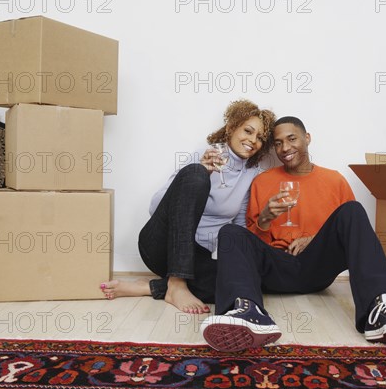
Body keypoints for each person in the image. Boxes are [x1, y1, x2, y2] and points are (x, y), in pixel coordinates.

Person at [200, 116, 386, 351]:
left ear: (307, 138)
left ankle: (379, 309)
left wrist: (314, 239)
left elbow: (351, 236)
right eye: (277, 143)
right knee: (231, 232)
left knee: (353, 210)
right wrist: (265, 219)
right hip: (274, 269)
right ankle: (246, 312)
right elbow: (251, 249)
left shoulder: (334, 180)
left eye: (291, 139)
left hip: (316, 267)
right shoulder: (262, 181)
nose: (284, 148)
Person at [100, 100, 276, 314]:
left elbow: (238, 227)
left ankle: (151, 286)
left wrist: (242, 264)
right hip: (161, 245)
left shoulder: (251, 175)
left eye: (260, 138)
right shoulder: (204, 156)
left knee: (243, 282)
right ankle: (176, 282)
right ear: (231, 127)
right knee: (196, 174)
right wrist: (204, 171)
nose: (252, 140)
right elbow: (155, 206)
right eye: (248, 131)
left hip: (196, 257)